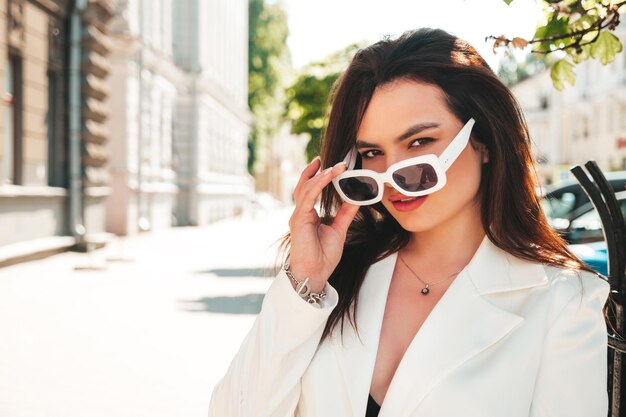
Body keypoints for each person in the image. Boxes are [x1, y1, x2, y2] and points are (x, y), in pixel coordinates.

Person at [208, 28, 611, 417]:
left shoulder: (565, 302)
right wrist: (304, 282)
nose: (393, 174)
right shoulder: (335, 276)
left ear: (483, 141)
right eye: (372, 152)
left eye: (419, 143)